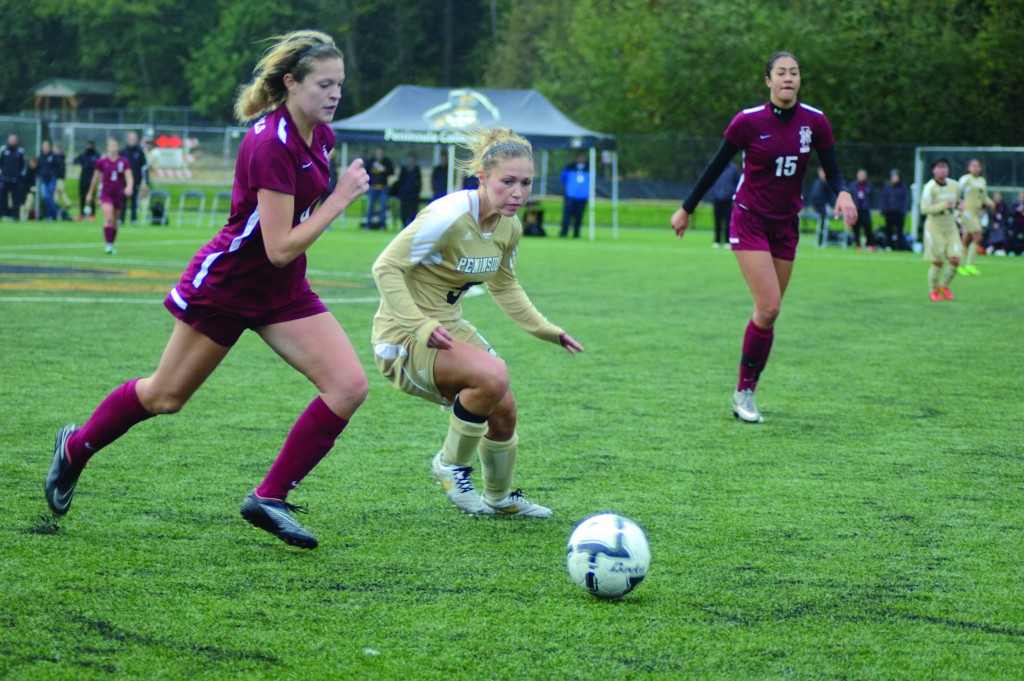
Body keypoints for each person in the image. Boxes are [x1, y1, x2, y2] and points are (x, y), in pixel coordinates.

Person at [45, 29, 371, 550]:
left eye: (340, 85)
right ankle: (75, 449)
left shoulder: (321, 137)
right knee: (165, 396)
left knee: (349, 386)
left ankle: (269, 497)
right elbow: (279, 246)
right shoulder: (269, 143)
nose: (335, 95)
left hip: (282, 290)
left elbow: (283, 259)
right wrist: (339, 201)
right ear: (290, 83)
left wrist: (330, 199)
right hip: (229, 285)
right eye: (324, 84)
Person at [370, 127, 583, 517]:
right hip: (402, 336)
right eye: (507, 182)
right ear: (482, 179)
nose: (518, 192)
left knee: (505, 409)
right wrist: (418, 325)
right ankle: (450, 465)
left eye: (526, 182)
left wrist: (546, 330)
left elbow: (505, 286)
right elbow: (385, 267)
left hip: (448, 326)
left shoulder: (509, 226)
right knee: (493, 375)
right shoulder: (448, 216)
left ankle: (498, 499)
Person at [670, 51, 857, 424]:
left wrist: (843, 191)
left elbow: (833, 168)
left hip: (787, 225)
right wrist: (687, 208)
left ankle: (747, 390)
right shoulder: (748, 121)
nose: (789, 78)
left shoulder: (815, 122)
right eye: (781, 73)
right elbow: (716, 164)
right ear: (768, 81)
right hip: (750, 220)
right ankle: (744, 392)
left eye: (795, 72)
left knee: (766, 315)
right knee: (770, 306)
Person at [920, 158, 962, 301]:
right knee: (938, 261)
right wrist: (943, 205)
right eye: (939, 167)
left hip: (951, 226)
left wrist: (959, 207)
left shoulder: (955, 186)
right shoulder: (929, 187)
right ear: (933, 170)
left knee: (956, 259)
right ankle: (933, 290)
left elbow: (957, 203)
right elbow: (924, 209)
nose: (942, 170)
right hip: (935, 226)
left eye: (944, 167)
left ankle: (944, 286)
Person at [85, 138, 134, 254]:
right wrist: (90, 193)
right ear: (107, 147)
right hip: (105, 194)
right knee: (109, 218)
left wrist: (129, 187)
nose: (113, 148)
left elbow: (129, 176)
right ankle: (108, 245)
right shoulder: (101, 162)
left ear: (118, 147)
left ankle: (111, 244)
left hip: (118, 194)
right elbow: (95, 178)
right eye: (110, 146)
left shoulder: (123, 161)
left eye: (115, 146)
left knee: (115, 221)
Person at [957, 158, 994, 276]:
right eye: (973, 166)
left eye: (977, 166)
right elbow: (956, 192)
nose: (976, 168)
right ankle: (969, 265)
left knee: (966, 239)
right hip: (968, 212)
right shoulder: (965, 179)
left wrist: (991, 203)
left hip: (976, 213)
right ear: (968, 168)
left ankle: (960, 265)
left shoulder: (982, 180)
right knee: (978, 237)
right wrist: (959, 203)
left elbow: (983, 197)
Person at [559, 151, 590, 238]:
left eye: (582, 157)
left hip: (582, 198)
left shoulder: (589, 169)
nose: (581, 159)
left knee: (579, 218)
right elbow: (562, 179)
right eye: (579, 157)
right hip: (570, 197)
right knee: (567, 217)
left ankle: (576, 234)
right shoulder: (569, 168)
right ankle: (563, 233)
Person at [122, 131, 150, 225]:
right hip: (123, 181)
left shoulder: (139, 151)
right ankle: (121, 218)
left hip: (136, 180)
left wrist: (146, 182)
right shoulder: (124, 151)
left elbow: (144, 167)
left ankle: (134, 219)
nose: (132, 141)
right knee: (122, 200)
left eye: (134, 139)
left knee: (134, 201)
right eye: (131, 139)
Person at [364, 146, 393, 229]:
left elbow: (391, 172)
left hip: (383, 188)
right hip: (372, 188)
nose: (379, 154)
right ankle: (368, 225)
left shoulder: (386, 162)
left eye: (381, 152)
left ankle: (383, 226)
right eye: (378, 152)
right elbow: (366, 172)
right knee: (370, 207)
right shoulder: (371, 161)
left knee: (383, 208)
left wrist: (385, 170)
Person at [880, 169, 909, 251]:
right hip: (889, 212)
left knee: (899, 230)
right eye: (893, 176)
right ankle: (889, 245)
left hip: (899, 212)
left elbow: (906, 200)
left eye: (896, 176)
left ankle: (901, 246)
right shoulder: (887, 186)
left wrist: (904, 210)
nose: (895, 178)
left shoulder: (903, 186)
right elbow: (884, 198)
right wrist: (883, 209)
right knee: (889, 230)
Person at [0, 133, 28, 220]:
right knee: (2, 197)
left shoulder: (21, 152)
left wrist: (21, 176)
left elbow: (24, 165)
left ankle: (15, 215)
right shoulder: (3, 150)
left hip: (16, 180)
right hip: (4, 179)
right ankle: (2, 214)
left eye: (14, 139)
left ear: (17, 141)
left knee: (16, 198)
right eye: (11, 139)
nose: (13, 141)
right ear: (8, 140)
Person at [393, 152, 422, 227]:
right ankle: (404, 225)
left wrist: (417, 191)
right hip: (404, 194)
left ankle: (412, 225)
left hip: (413, 194)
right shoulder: (404, 169)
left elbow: (419, 181)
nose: (410, 160)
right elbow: (400, 180)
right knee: (404, 210)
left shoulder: (416, 169)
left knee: (413, 210)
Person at [37, 140, 64, 220]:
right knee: (44, 196)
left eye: (47, 147)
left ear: (49, 147)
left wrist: (54, 174)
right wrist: (39, 174)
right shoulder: (40, 157)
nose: (45, 148)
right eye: (44, 147)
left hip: (51, 179)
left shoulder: (53, 157)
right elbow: (38, 168)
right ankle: (58, 210)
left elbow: (58, 166)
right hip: (43, 179)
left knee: (50, 197)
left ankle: (50, 215)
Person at [807, 166, 834, 245]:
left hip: (824, 207)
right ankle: (821, 238)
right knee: (821, 221)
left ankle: (822, 239)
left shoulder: (828, 183)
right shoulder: (817, 182)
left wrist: (832, 206)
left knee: (823, 221)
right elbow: (813, 195)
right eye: (821, 172)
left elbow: (830, 197)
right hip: (818, 207)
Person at [850, 168, 876, 250]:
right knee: (856, 228)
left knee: (868, 227)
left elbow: (872, 197)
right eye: (860, 175)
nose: (862, 177)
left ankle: (870, 245)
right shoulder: (852, 185)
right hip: (855, 209)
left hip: (865, 210)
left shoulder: (869, 186)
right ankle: (858, 245)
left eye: (863, 175)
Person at [73, 140, 99, 220]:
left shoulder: (96, 155)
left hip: (92, 179)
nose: (89, 147)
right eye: (88, 145)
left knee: (91, 196)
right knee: (82, 196)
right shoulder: (84, 155)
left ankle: (92, 214)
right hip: (83, 178)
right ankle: (82, 214)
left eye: (90, 145)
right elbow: (75, 161)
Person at [984, 191, 1009, 255]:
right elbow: (989, 218)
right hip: (992, 225)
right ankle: (991, 246)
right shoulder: (990, 207)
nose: (997, 198)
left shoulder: (1004, 206)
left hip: (1002, 224)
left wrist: (999, 224)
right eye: (996, 197)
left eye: (998, 197)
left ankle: (1001, 248)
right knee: (991, 229)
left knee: (1001, 230)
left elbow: (1006, 218)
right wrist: (993, 224)